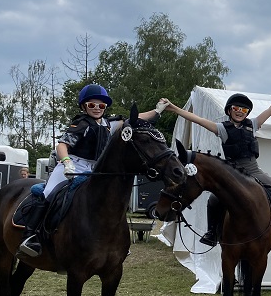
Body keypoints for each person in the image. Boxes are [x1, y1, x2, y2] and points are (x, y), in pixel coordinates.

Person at [18, 84, 167, 257]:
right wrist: (66, 161)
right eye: (92, 105)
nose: (97, 108)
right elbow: (62, 145)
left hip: (95, 169)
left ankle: (110, 240)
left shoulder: (108, 123)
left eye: (101, 106)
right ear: (84, 106)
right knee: (48, 193)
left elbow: (135, 118)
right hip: (73, 165)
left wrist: (158, 110)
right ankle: (31, 236)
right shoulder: (81, 123)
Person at [161, 85, 271, 245]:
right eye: (236, 108)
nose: (240, 111)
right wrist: (173, 108)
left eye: (244, 109)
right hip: (232, 173)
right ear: (229, 110)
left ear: (247, 113)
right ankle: (212, 232)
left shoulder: (253, 125)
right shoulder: (222, 128)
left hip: (253, 170)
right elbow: (197, 119)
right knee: (213, 200)